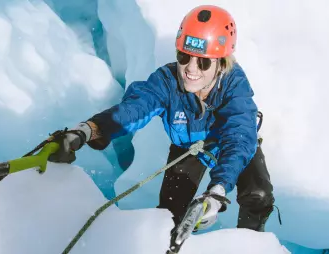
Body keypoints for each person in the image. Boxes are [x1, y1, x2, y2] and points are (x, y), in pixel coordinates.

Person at [47, 5, 275, 232]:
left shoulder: (234, 86)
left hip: (230, 143)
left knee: (258, 195)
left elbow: (239, 136)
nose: (190, 69)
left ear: (221, 63)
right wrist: (88, 130)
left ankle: (251, 243)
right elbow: (133, 110)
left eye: (203, 61)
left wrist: (218, 190)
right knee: (169, 216)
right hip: (189, 148)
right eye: (184, 56)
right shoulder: (166, 81)